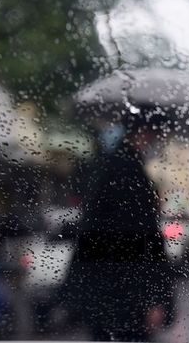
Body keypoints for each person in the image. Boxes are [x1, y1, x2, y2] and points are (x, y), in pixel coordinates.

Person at [61, 124, 169, 341]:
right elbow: (142, 240)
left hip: (104, 290)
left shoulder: (107, 166)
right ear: (144, 133)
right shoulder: (127, 171)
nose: (158, 141)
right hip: (125, 296)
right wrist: (153, 298)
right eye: (157, 134)